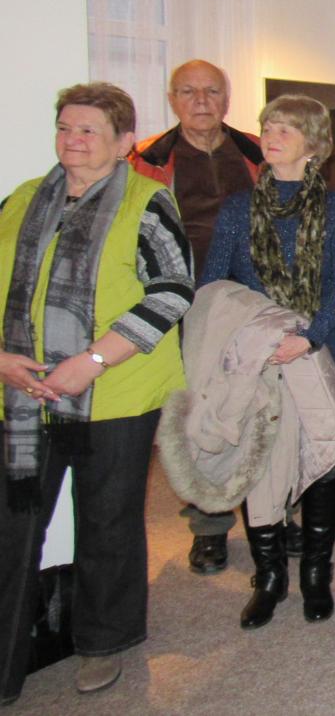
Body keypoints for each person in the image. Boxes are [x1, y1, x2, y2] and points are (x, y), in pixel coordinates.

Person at [0, 82, 192, 701]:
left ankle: (105, 640)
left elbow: (172, 291)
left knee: (108, 519)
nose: (73, 140)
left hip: (115, 391)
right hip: (24, 393)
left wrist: (90, 362)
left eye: (88, 130)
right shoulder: (22, 199)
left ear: (124, 140)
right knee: (12, 524)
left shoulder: (147, 202)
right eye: (65, 128)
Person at [201, 95, 335, 628]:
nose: (271, 136)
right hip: (257, 356)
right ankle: (269, 576)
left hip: (317, 350)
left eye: (286, 129)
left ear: (313, 144)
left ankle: (316, 572)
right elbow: (215, 286)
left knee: (322, 457)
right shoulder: (238, 208)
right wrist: (249, 338)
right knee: (258, 457)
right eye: (268, 126)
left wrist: (308, 338)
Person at [129, 59, 262, 576]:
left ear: (227, 99)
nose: (201, 101)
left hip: (252, 301)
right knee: (198, 415)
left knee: (261, 404)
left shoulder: (257, 149)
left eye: (211, 91)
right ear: (172, 99)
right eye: (189, 91)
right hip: (184, 306)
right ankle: (208, 524)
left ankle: (270, 515)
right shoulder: (147, 160)